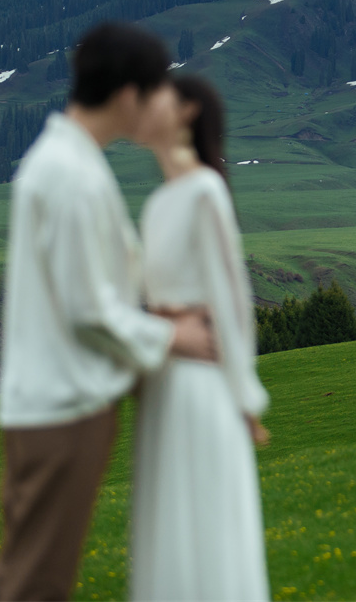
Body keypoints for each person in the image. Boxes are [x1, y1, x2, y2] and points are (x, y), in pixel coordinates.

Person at [0, 24, 218, 602]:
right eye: (153, 91)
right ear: (126, 96)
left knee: (31, 570)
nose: (161, 105)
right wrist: (174, 337)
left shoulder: (64, 162)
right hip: (63, 408)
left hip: (52, 402)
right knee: (37, 580)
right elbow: (89, 310)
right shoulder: (72, 176)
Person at [131, 74, 271, 602]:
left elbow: (231, 299)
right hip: (164, 381)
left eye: (158, 95)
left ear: (187, 111)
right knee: (167, 529)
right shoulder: (157, 204)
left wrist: (244, 396)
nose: (144, 104)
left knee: (205, 526)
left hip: (199, 382)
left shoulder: (205, 192)